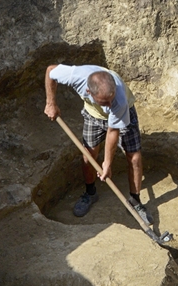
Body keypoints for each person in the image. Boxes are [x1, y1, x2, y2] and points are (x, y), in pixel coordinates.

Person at [44, 63, 152, 225]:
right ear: (89, 92)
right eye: (104, 102)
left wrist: (107, 163)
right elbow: (50, 70)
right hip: (93, 116)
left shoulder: (119, 100)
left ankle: (135, 201)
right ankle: (90, 193)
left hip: (124, 114)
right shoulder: (75, 76)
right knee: (88, 157)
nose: (109, 106)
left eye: (110, 100)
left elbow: (113, 132)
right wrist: (51, 103)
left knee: (134, 158)